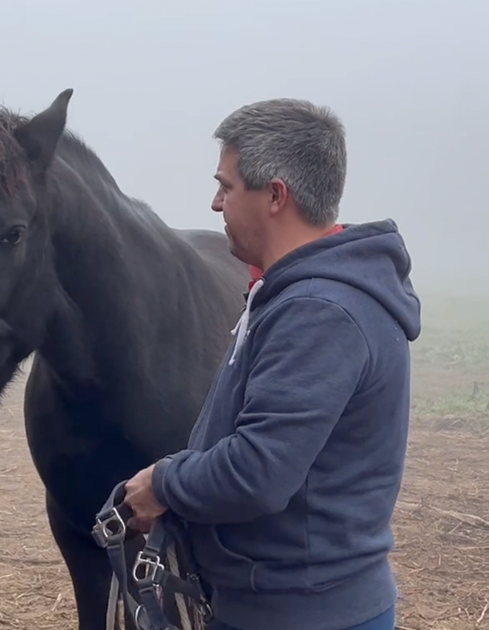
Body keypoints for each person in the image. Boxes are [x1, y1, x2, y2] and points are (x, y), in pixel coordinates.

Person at [121, 98, 421, 630]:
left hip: (301, 614)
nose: (216, 204)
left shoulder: (319, 313)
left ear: (275, 195)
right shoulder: (290, 294)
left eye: (227, 186)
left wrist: (163, 484)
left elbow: (258, 472)